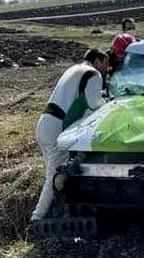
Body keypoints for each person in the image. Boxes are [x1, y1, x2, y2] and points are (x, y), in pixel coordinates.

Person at [31, 48, 109, 221]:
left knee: (51, 174)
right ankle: (37, 218)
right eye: (106, 63)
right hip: (57, 128)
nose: (107, 69)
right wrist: (111, 104)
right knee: (54, 175)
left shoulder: (73, 69)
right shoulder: (93, 74)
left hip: (44, 123)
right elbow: (95, 103)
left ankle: (56, 211)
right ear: (98, 61)